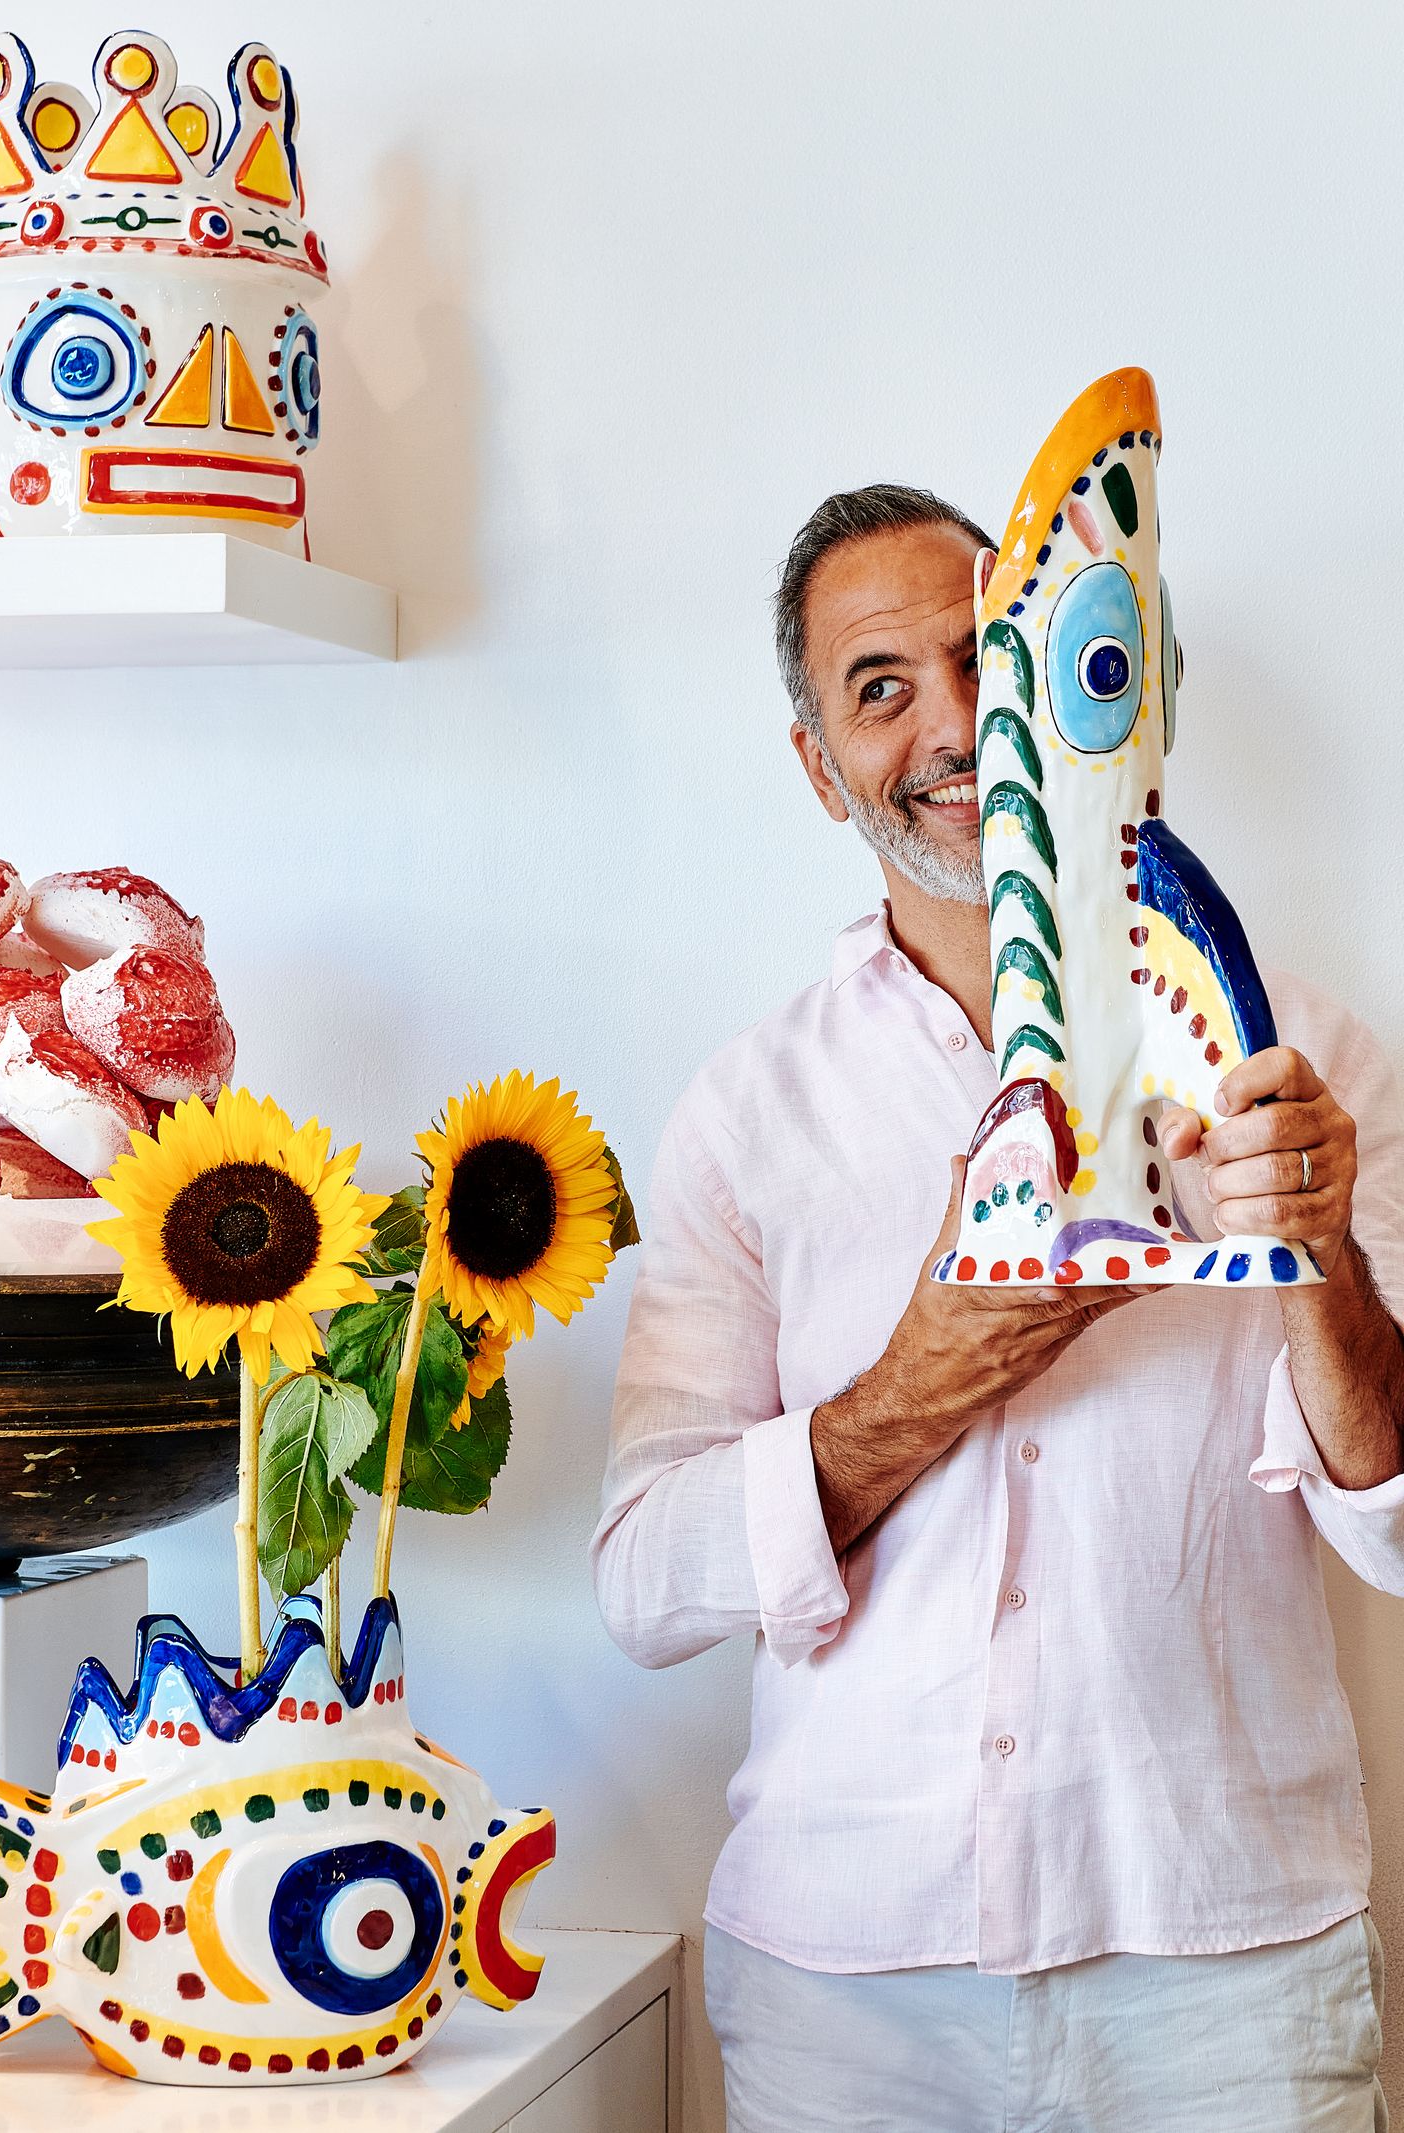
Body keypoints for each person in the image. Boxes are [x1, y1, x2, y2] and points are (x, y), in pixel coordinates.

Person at [591, 485, 1404, 2131]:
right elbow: (641, 1581)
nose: (954, 721)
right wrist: (918, 1381)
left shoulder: (1293, 1058)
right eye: (881, 685)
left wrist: (1317, 1248)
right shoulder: (751, 1113)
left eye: (985, 658)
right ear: (821, 766)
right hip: (850, 1990)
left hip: (1232, 1970)